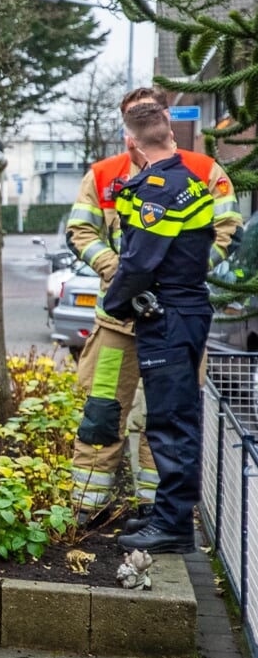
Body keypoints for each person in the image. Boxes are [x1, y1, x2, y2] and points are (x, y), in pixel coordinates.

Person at [64, 87, 239, 525]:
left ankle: (156, 510)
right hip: (119, 324)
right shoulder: (104, 174)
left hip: (172, 319)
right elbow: (80, 231)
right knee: (103, 411)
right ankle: (89, 506)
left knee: (165, 418)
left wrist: (175, 275)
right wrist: (114, 270)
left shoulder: (204, 171)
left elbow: (227, 230)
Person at [105, 101, 220, 554]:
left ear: (131, 142)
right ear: (170, 133)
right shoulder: (185, 181)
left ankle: (172, 527)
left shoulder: (158, 189)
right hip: (180, 312)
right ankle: (166, 513)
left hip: (168, 315)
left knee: (172, 423)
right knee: (171, 418)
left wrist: (116, 304)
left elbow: (138, 262)